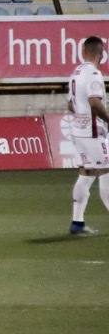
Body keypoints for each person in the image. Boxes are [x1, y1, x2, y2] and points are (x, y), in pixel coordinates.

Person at [67, 37, 109, 236]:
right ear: (100, 55)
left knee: (86, 174)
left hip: (78, 132)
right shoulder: (94, 74)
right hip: (93, 134)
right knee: (107, 172)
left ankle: (77, 222)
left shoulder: (75, 73)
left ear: (83, 52)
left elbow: (70, 105)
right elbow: (94, 101)